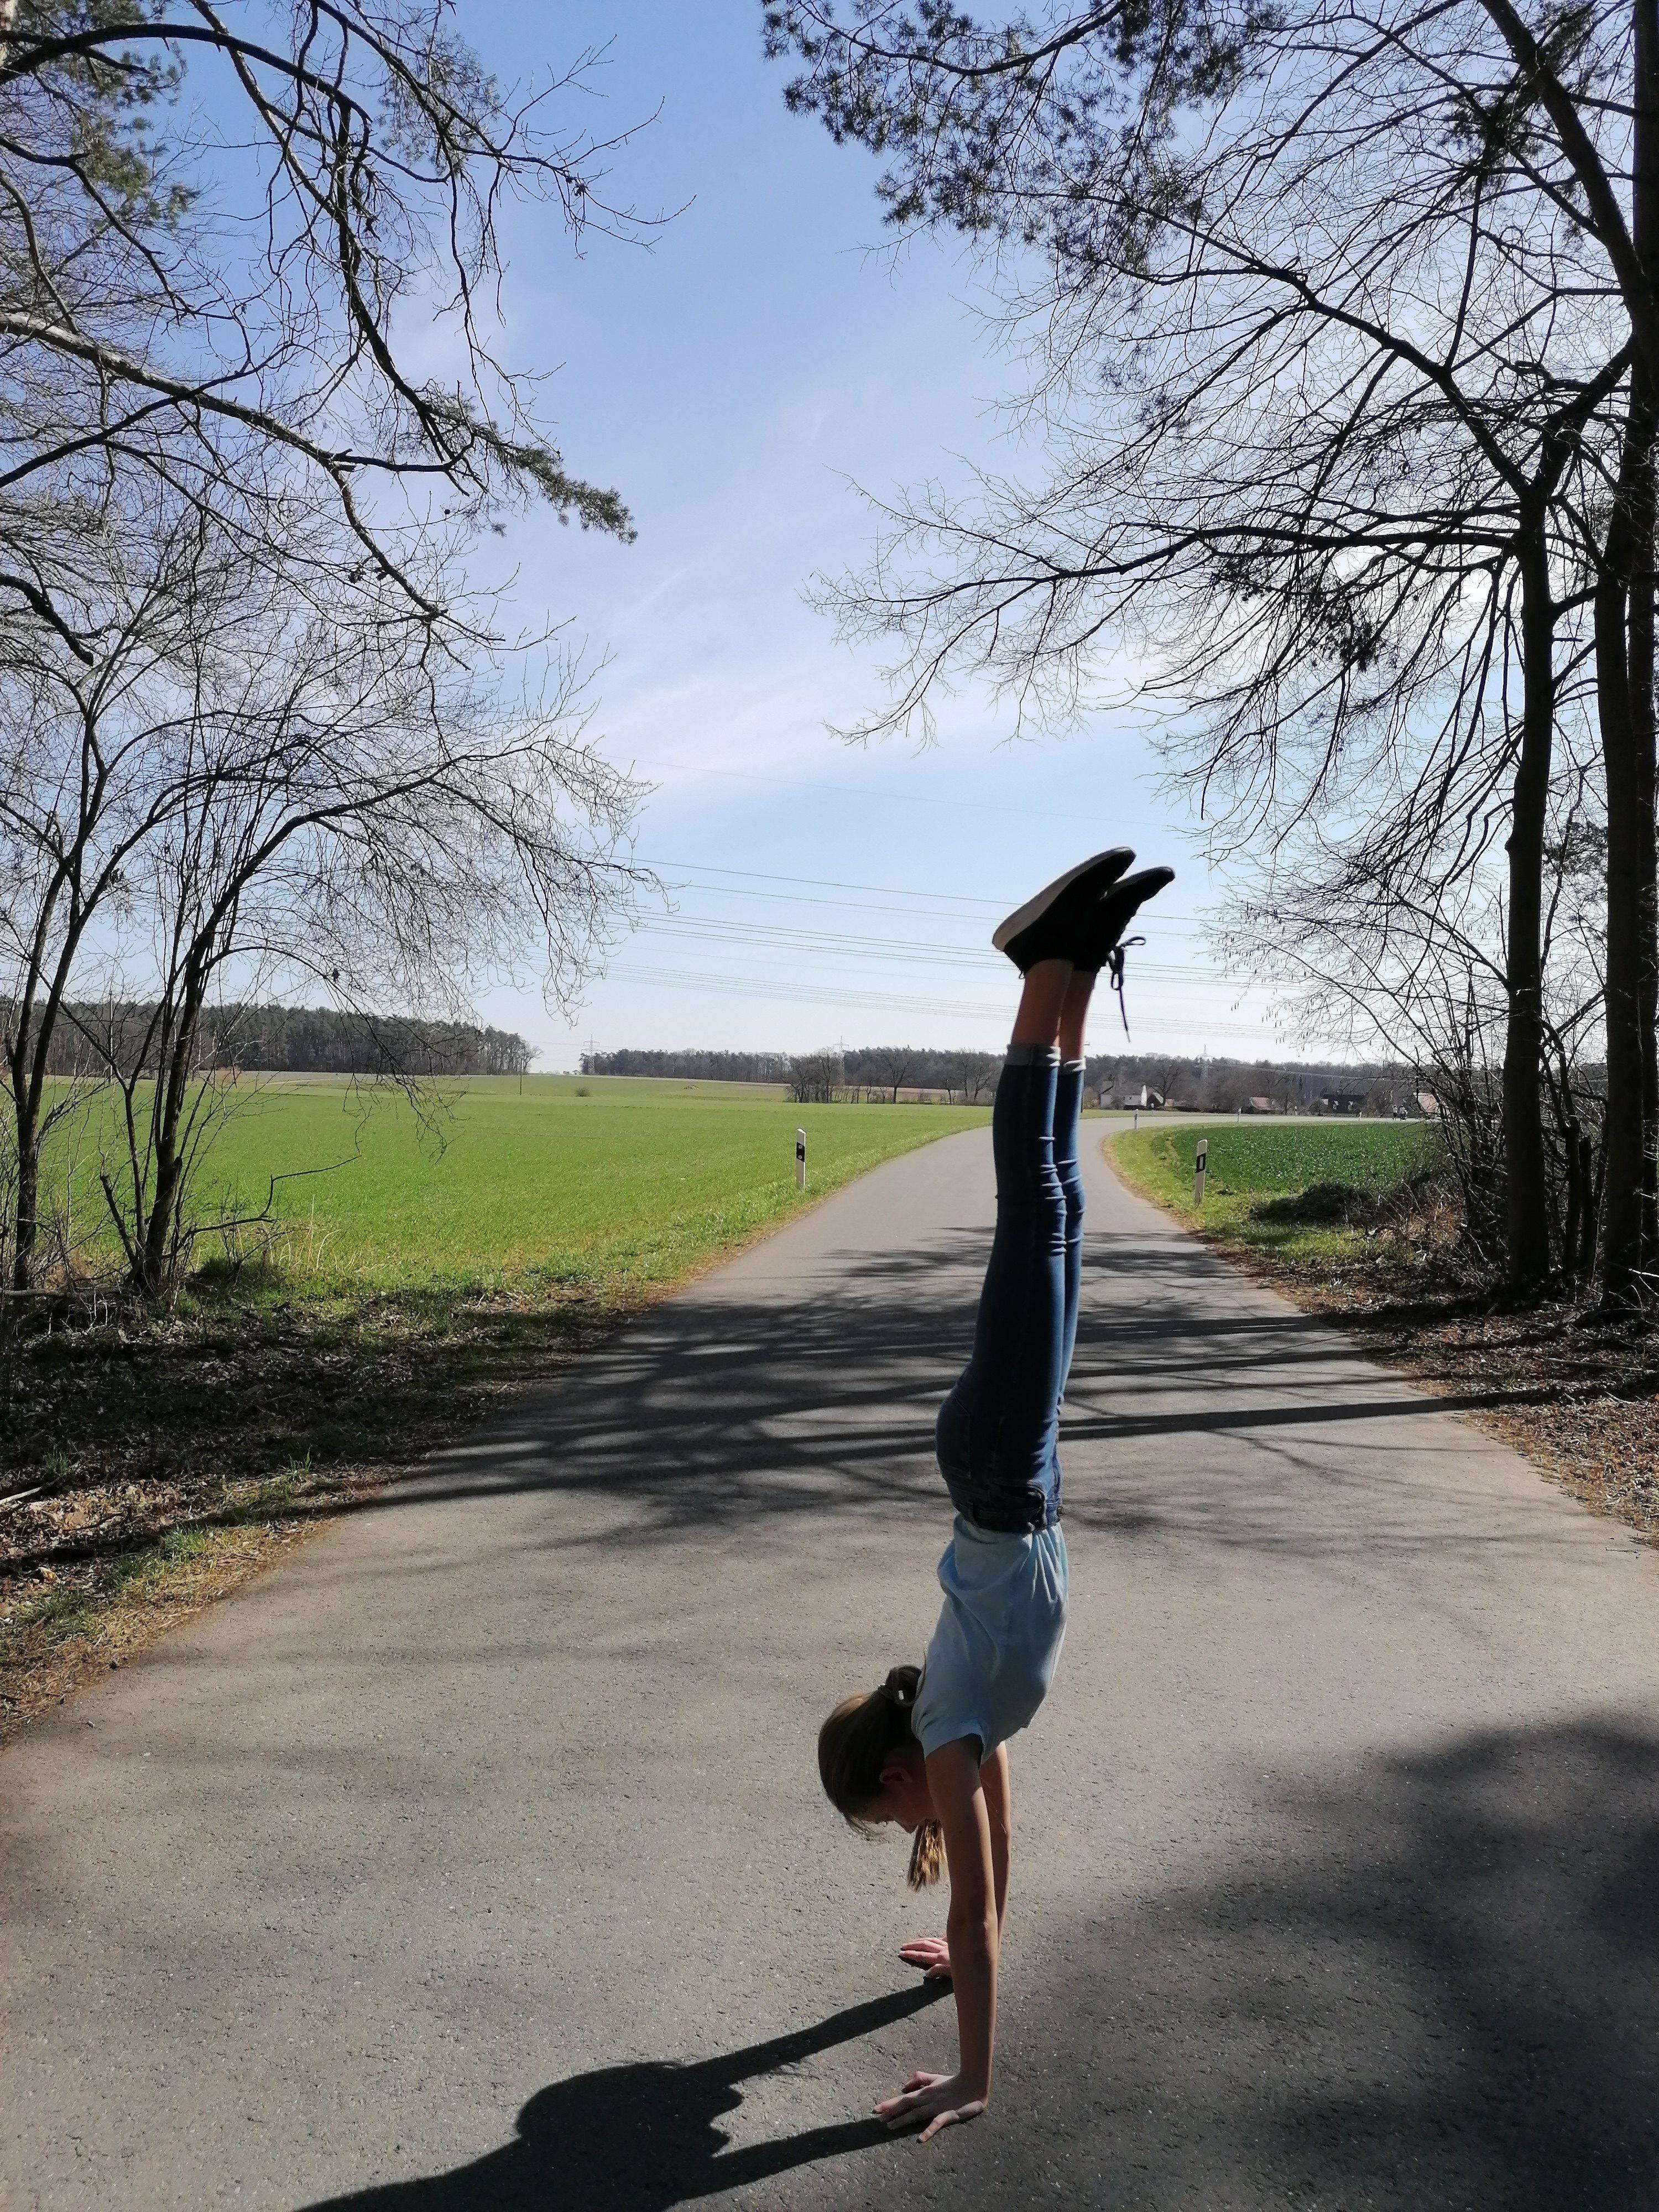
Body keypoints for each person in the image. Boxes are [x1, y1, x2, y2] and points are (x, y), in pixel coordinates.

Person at [816, 847, 1173, 2144]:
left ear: (904, 1773)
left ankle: (1033, 970)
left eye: (887, 1812)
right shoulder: (973, 1736)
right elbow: (990, 1888)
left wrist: (975, 2075)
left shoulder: (957, 1726)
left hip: (1001, 1469)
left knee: (1039, 1204)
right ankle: (1072, 968)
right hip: (1022, 1473)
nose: (905, 1828)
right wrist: (972, 1961)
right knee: (1064, 1208)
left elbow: (972, 1901)